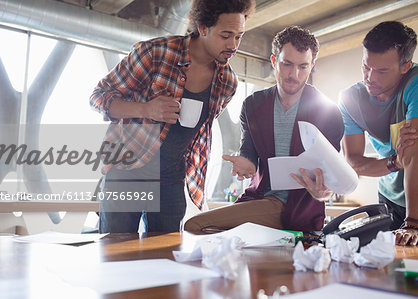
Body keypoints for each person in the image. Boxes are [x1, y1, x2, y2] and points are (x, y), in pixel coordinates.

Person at [89, 0, 256, 233]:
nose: (233, 45)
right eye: (226, 35)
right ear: (203, 27)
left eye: (239, 36)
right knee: (115, 254)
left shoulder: (227, 82)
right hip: (126, 173)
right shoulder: (155, 53)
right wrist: (146, 110)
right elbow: (98, 97)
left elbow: (195, 132)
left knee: (165, 256)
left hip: (171, 180)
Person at [184, 26, 344, 234]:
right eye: (287, 64)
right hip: (260, 199)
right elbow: (249, 153)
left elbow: (330, 179)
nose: (294, 74)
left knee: (195, 225)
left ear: (312, 65)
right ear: (274, 61)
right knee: (208, 234)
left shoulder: (329, 112)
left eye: (303, 67)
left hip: (299, 211)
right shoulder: (253, 105)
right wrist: (245, 164)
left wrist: (323, 192)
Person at [338, 21, 418, 246]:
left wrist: (412, 223)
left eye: (382, 71)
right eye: (366, 66)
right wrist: (395, 163)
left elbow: (413, 150)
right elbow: (353, 161)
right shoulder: (350, 99)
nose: (370, 77)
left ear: (405, 66)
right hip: (390, 199)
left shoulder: (415, 83)